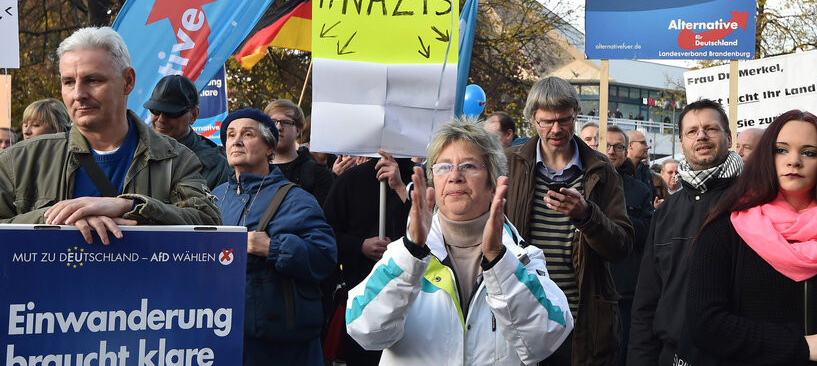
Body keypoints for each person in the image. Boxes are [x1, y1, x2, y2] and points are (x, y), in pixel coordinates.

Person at [346, 119, 574, 365]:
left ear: (493, 182)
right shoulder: (403, 255)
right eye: (443, 167)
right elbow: (364, 329)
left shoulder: (523, 257)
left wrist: (499, 261)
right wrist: (412, 252)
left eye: (469, 166)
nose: (455, 176)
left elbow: (546, 338)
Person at [0, 27, 220, 244]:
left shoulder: (175, 159)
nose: (78, 94)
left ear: (128, 81)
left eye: (93, 80)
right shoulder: (18, 161)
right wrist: (57, 219)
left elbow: (209, 223)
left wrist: (132, 206)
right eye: (68, 82)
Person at [685, 110, 817, 365]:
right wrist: (802, 346)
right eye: (782, 150)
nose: (794, 161)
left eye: (809, 152)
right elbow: (705, 322)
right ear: (767, 155)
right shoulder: (725, 228)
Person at [504, 76, 633, 366]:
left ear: (576, 115)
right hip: (521, 318)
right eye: (546, 122)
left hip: (581, 320)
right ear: (532, 120)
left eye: (564, 120)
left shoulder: (601, 170)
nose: (556, 130)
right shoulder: (508, 164)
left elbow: (622, 246)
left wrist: (587, 216)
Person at [212, 108, 337, 366]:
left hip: (284, 349)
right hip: (228, 339)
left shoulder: (297, 199)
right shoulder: (215, 197)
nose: (236, 141)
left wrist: (273, 247)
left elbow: (325, 257)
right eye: (231, 135)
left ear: (269, 148)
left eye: (247, 134)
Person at [628, 99, 742, 366]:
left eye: (710, 129)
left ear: (728, 137)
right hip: (673, 355)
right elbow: (646, 299)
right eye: (692, 131)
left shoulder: (753, 202)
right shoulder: (667, 212)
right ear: (682, 144)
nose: (701, 135)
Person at [323, 151, 414, 365]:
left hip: (415, 300)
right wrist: (359, 246)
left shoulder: (424, 178)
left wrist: (402, 189)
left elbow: (435, 229)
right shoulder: (351, 179)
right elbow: (326, 234)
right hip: (362, 294)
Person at [605, 125, 653, 366]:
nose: (611, 151)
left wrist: (616, 219)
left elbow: (648, 232)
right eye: (607, 146)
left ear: (626, 151)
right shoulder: (581, 183)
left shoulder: (639, 189)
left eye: (618, 147)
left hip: (624, 290)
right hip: (588, 289)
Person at [143, 75, 233, 190]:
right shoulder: (134, 151)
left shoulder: (215, 166)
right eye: (155, 111)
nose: (161, 119)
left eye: (171, 113)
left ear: (193, 115)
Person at [264, 99, 334, 207]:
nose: (278, 127)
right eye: (273, 122)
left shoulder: (318, 174)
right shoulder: (252, 170)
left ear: (298, 130)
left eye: (286, 122)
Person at [627, 130, 657, 201]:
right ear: (630, 145)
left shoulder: (646, 172)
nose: (647, 147)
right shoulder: (618, 171)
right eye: (643, 143)